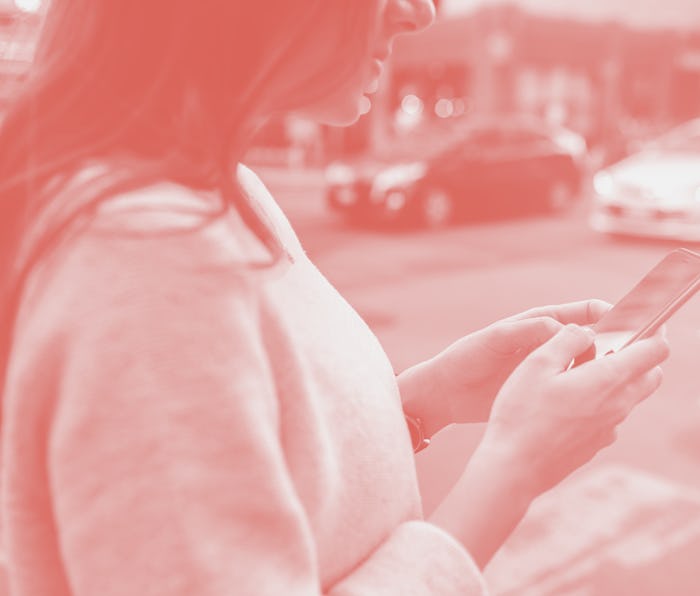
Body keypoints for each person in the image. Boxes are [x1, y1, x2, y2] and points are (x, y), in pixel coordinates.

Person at [0, 1, 669, 595]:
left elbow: (257, 476)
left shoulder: (224, 189)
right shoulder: (145, 254)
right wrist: (513, 468)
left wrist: (423, 402)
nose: (423, 11)